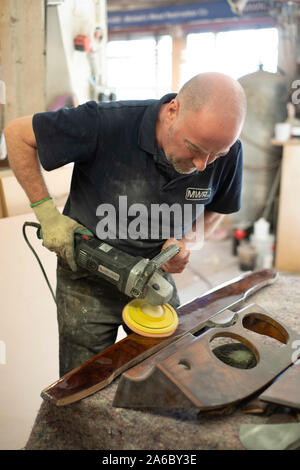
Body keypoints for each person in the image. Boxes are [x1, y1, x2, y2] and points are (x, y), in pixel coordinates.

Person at [4, 72, 246, 376]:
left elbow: (217, 207)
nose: (202, 164)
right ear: (173, 111)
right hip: (87, 281)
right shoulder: (106, 123)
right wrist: (48, 215)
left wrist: (188, 240)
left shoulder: (226, 150)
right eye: (194, 148)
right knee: (84, 384)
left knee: (169, 374)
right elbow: (16, 135)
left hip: (154, 279)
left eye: (216, 155)